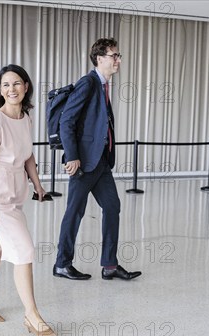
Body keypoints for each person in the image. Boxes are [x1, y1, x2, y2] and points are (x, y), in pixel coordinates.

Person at [0, 64, 55, 336]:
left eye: (16, 83)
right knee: (25, 250)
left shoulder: (25, 117)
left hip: (16, 194)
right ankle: (32, 314)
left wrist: (38, 185)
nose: (11, 89)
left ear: (26, 86)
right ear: (0, 90)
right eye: (5, 85)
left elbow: (27, 154)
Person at [53, 38, 142, 281]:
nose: (118, 60)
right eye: (114, 56)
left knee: (113, 207)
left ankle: (110, 266)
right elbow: (66, 121)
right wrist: (72, 156)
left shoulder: (102, 85)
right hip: (84, 163)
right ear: (99, 58)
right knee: (75, 212)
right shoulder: (88, 83)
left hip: (101, 162)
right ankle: (62, 264)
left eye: (118, 55)